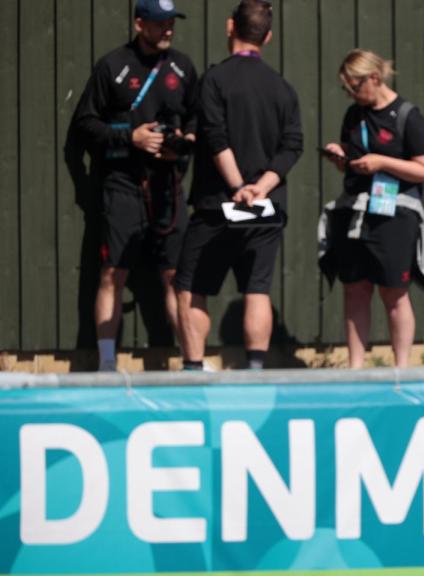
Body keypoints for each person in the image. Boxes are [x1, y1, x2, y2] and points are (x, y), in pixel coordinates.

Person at [174, 0, 303, 370]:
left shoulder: (214, 80)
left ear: (231, 27)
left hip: (218, 206)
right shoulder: (283, 89)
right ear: (268, 36)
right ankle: (256, 370)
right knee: (257, 289)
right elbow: (293, 146)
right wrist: (260, 188)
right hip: (266, 209)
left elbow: (215, 137)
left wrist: (239, 187)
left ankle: (193, 370)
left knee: (189, 287)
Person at [71, 0, 197, 371]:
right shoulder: (112, 66)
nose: (167, 30)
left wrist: (182, 144)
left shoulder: (183, 67)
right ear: (140, 24)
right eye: (160, 23)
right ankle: (108, 364)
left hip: (168, 188)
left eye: (171, 22)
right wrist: (132, 137)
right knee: (113, 273)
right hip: (122, 186)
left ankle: (192, 364)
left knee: (176, 277)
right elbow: (85, 125)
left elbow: (197, 120)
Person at [321, 49, 424, 369]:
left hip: (395, 212)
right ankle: (356, 369)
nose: (352, 94)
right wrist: (339, 154)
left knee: (393, 292)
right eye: (346, 89)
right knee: (355, 289)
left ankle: (401, 369)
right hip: (356, 209)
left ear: (374, 78)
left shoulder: (407, 116)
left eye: (354, 87)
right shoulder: (354, 115)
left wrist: (382, 162)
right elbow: (351, 156)